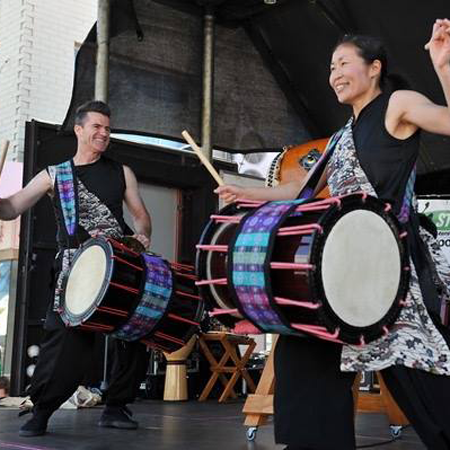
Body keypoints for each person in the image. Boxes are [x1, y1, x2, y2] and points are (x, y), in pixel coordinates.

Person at [216, 18, 450, 450]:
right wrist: (246, 192)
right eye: (330, 67)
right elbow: (302, 190)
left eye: (343, 63)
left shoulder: (398, 104)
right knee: (302, 339)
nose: (334, 74)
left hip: (390, 266)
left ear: (374, 68)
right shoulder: (340, 137)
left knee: (417, 372)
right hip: (343, 264)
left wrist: (444, 65)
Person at [0, 100, 152, 437]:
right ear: (79, 129)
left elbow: (141, 215)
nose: (104, 133)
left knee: (137, 331)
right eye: (97, 126)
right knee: (66, 342)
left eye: (108, 128)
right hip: (75, 268)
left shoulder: (120, 171)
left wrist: (142, 236)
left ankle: (115, 406)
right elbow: (12, 207)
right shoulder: (55, 175)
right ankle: (41, 411)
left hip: (119, 261)